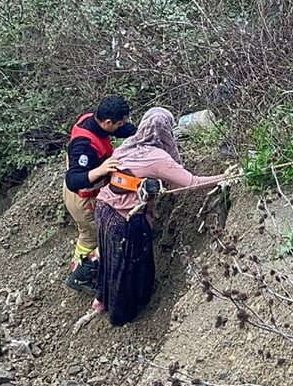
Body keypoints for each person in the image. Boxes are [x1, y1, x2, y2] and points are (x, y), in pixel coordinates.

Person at [93, 107, 240, 326]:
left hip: (103, 208)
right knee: (127, 268)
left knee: (109, 258)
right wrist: (225, 177)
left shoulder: (127, 146)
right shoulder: (158, 158)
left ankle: (101, 300)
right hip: (126, 219)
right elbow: (190, 183)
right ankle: (122, 314)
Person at [63, 95, 137, 294]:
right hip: (83, 198)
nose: (122, 126)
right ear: (107, 122)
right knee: (106, 235)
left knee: (87, 235)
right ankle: (82, 276)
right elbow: (73, 180)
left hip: (83, 195)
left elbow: (120, 130)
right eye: (119, 122)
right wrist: (101, 170)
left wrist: (140, 133)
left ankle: (78, 267)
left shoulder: (93, 120)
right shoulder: (84, 145)